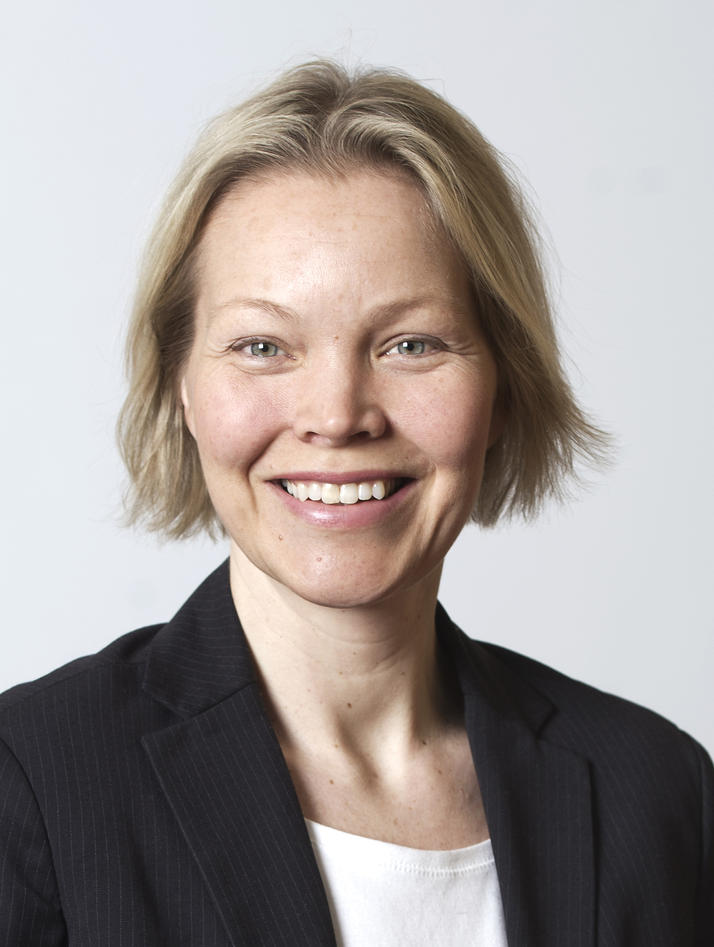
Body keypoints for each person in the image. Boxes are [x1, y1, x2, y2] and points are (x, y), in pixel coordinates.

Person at [0, 60, 711, 947]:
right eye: (263, 346)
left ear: (504, 383)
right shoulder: (31, 782)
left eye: (411, 343)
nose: (337, 416)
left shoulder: (656, 790)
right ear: (180, 387)